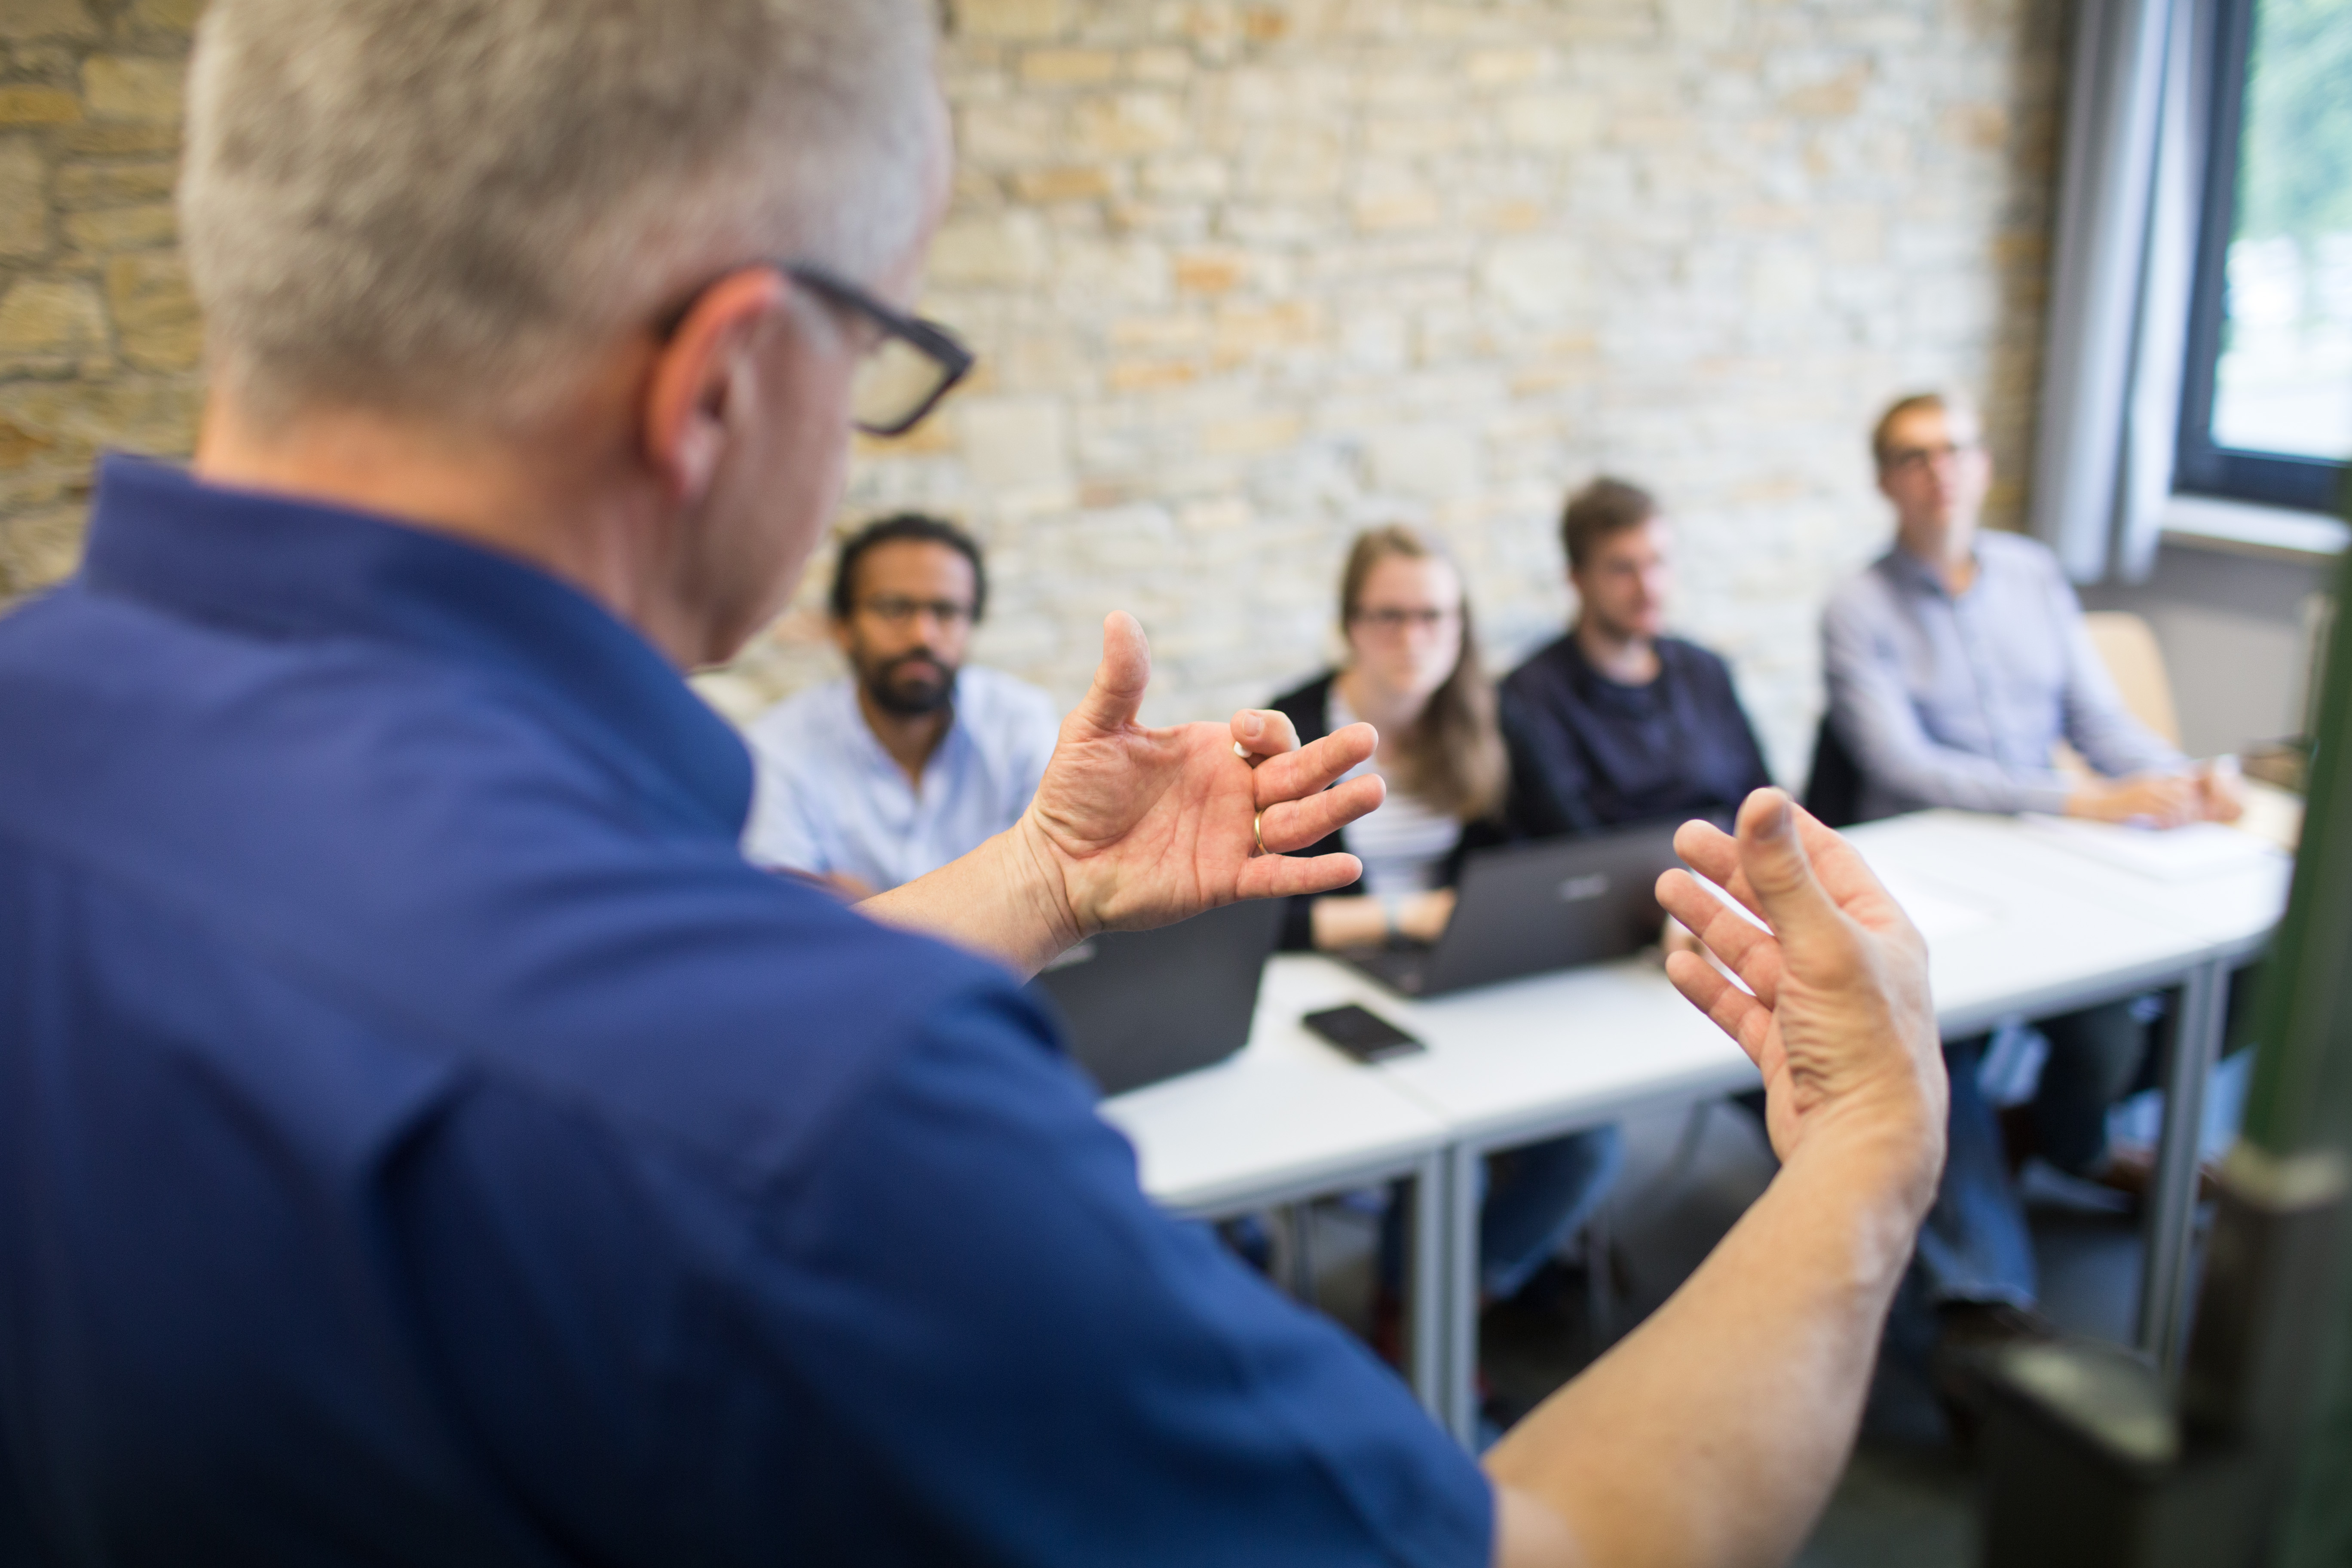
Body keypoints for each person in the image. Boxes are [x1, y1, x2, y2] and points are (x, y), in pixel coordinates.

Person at [0, 3, 1948, 1563]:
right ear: (722, 384)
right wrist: (1867, 1145)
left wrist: (1039, 876)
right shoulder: (823, 1113)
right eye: (886, 352)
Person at [1821, 389, 2243, 1426]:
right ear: (1884, 482)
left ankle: (2066, 1135)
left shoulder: (2032, 574)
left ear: (1981, 463)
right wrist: (2077, 799)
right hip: (1933, 870)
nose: (1939, 472)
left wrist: (2182, 779)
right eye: (1914, 457)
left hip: (2055, 858)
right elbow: (1903, 767)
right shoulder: (1857, 606)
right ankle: (1984, 1306)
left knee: (2166, 1001)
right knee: (1940, 1046)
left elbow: (2100, 725)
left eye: (1954, 450)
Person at [1270, 526, 1622, 1329]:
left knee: (1588, 1146)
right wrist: (1403, 916)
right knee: (1450, 1163)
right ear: (1350, 624)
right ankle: (1419, 1324)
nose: (1413, 637)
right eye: (1388, 616)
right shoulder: (1293, 729)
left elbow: (1576, 854)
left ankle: (1444, 1313)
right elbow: (1261, 915)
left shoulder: (1487, 720)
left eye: (1434, 616)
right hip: (1330, 988)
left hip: (1462, 978)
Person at [741, 512, 1057, 894]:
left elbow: (1057, 880)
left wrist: (862, 906)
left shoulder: (1021, 723)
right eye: (893, 609)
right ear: (843, 627)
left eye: (946, 612)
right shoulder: (777, 750)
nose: (922, 636)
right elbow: (782, 913)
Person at [1501, 478, 1773, 839]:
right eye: (1622, 569)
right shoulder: (1530, 696)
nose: (1648, 588)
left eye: (1657, 562)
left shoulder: (1705, 671)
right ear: (1577, 579)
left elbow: (1761, 799)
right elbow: (1569, 840)